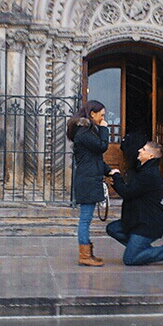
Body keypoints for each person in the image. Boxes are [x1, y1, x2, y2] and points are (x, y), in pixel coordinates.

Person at [106, 141, 163, 266]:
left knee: (130, 259)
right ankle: (143, 253)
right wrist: (117, 181)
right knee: (113, 229)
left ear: (151, 156)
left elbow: (128, 193)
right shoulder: (143, 170)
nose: (140, 150)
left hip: (148, 223)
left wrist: (118, 177)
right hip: (136, 220)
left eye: (144, 149)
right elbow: (131, 192)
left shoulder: (149, 174)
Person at [67, 100, 112, 266]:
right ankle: (84, 255)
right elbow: (102, 147)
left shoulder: (87, 132)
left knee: (86, 218)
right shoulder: (84, 133)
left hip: (89, 178)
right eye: (101, 114)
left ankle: (87, 253)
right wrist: (105, 128)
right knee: (85, 219)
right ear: (92, 114)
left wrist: (109, 171)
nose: (103, 117)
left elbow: (94, 157)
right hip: (87, 181)